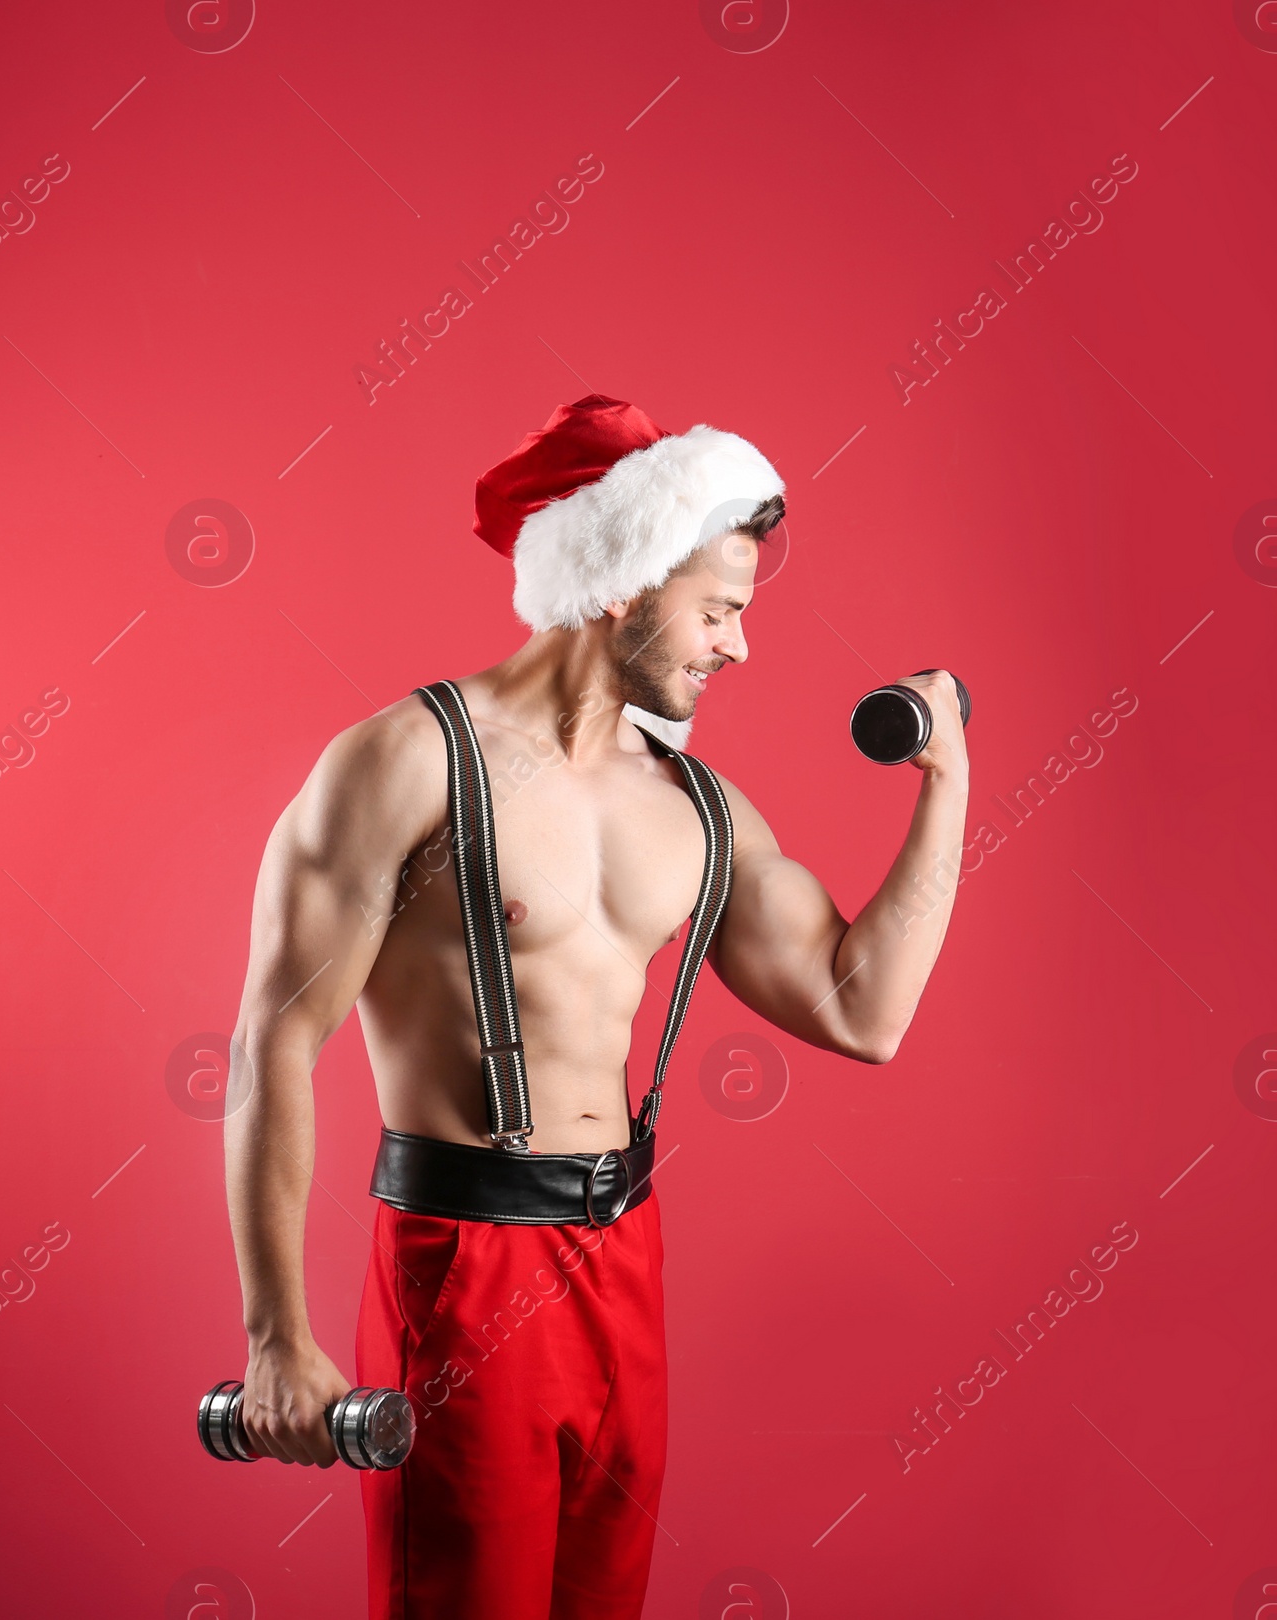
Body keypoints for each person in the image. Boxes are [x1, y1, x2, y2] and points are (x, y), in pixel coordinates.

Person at [222, 395, 968, 1619]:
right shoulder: (406, 761)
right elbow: (272, 1042)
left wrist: (947, 785)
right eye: (720, 609)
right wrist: (274, 1337)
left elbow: (860, 1010)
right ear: (624, 583)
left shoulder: (695, 805)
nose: (738, 648)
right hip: (464, 1265)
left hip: (625, 1257)